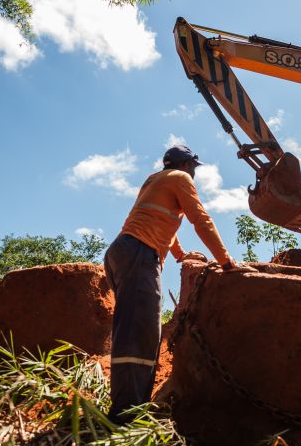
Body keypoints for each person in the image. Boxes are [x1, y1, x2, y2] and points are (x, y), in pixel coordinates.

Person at [104, 144, 249, 424]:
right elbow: (200, 219)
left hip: (120, 252)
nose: (194, 173)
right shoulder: (180, 179)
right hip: (138, 253)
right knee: (140, 333)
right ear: (187, 165)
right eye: (194, 167)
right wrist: (226, 261)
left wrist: (181, 255)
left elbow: (163, 221)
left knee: (134, 329)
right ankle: (126, 416)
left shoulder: (154, 180)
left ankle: (128, 407)